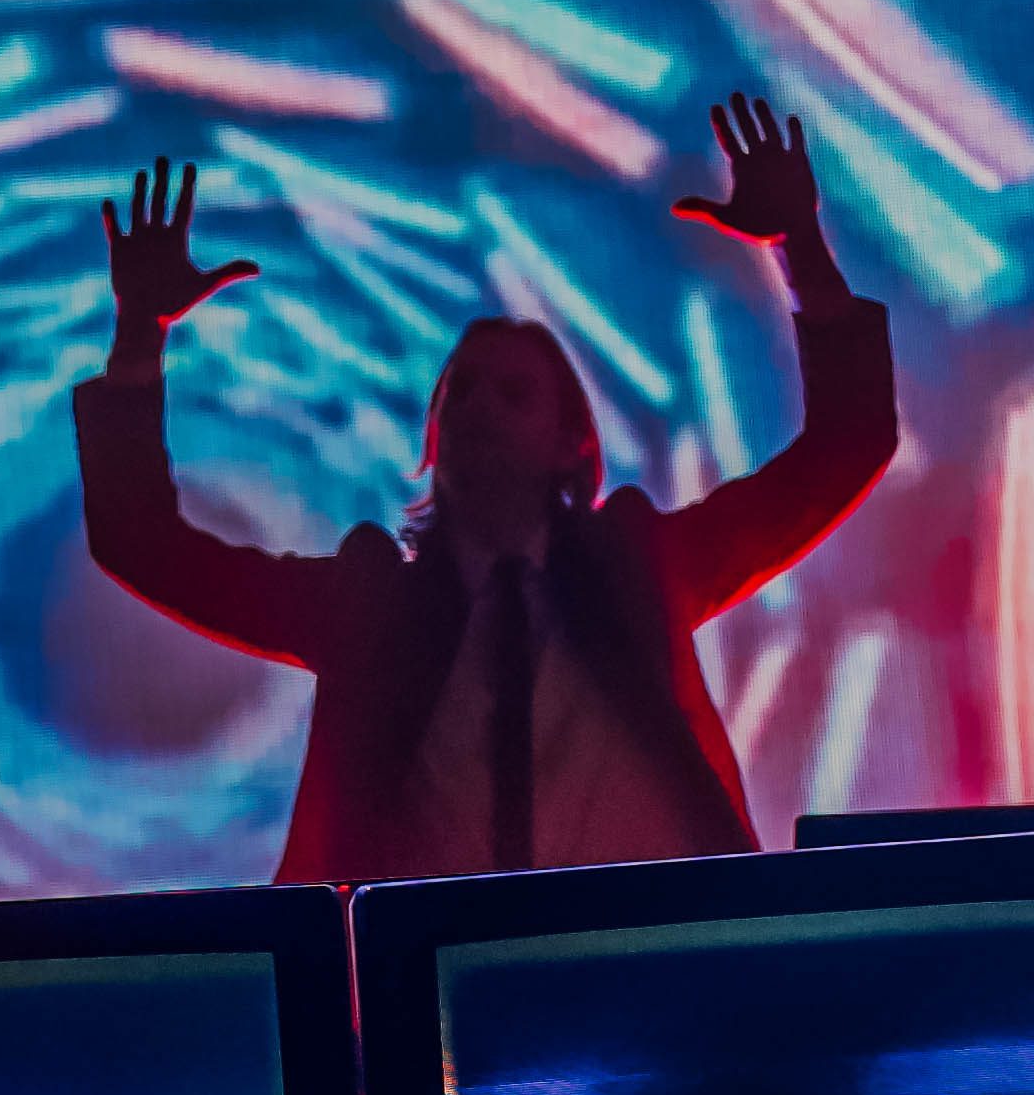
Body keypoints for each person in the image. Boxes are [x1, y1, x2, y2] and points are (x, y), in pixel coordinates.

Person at [71, 93, 894, 885]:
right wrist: (139, 337)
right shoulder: (366, 603)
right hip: (430, 965)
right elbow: (144, 545)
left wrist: (801, 249)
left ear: (572, 444)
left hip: (648, 951)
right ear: (430, 444)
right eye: (461, 392)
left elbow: (846, 447)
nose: (480, 410)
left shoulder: (640, 565)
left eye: (514, 393)